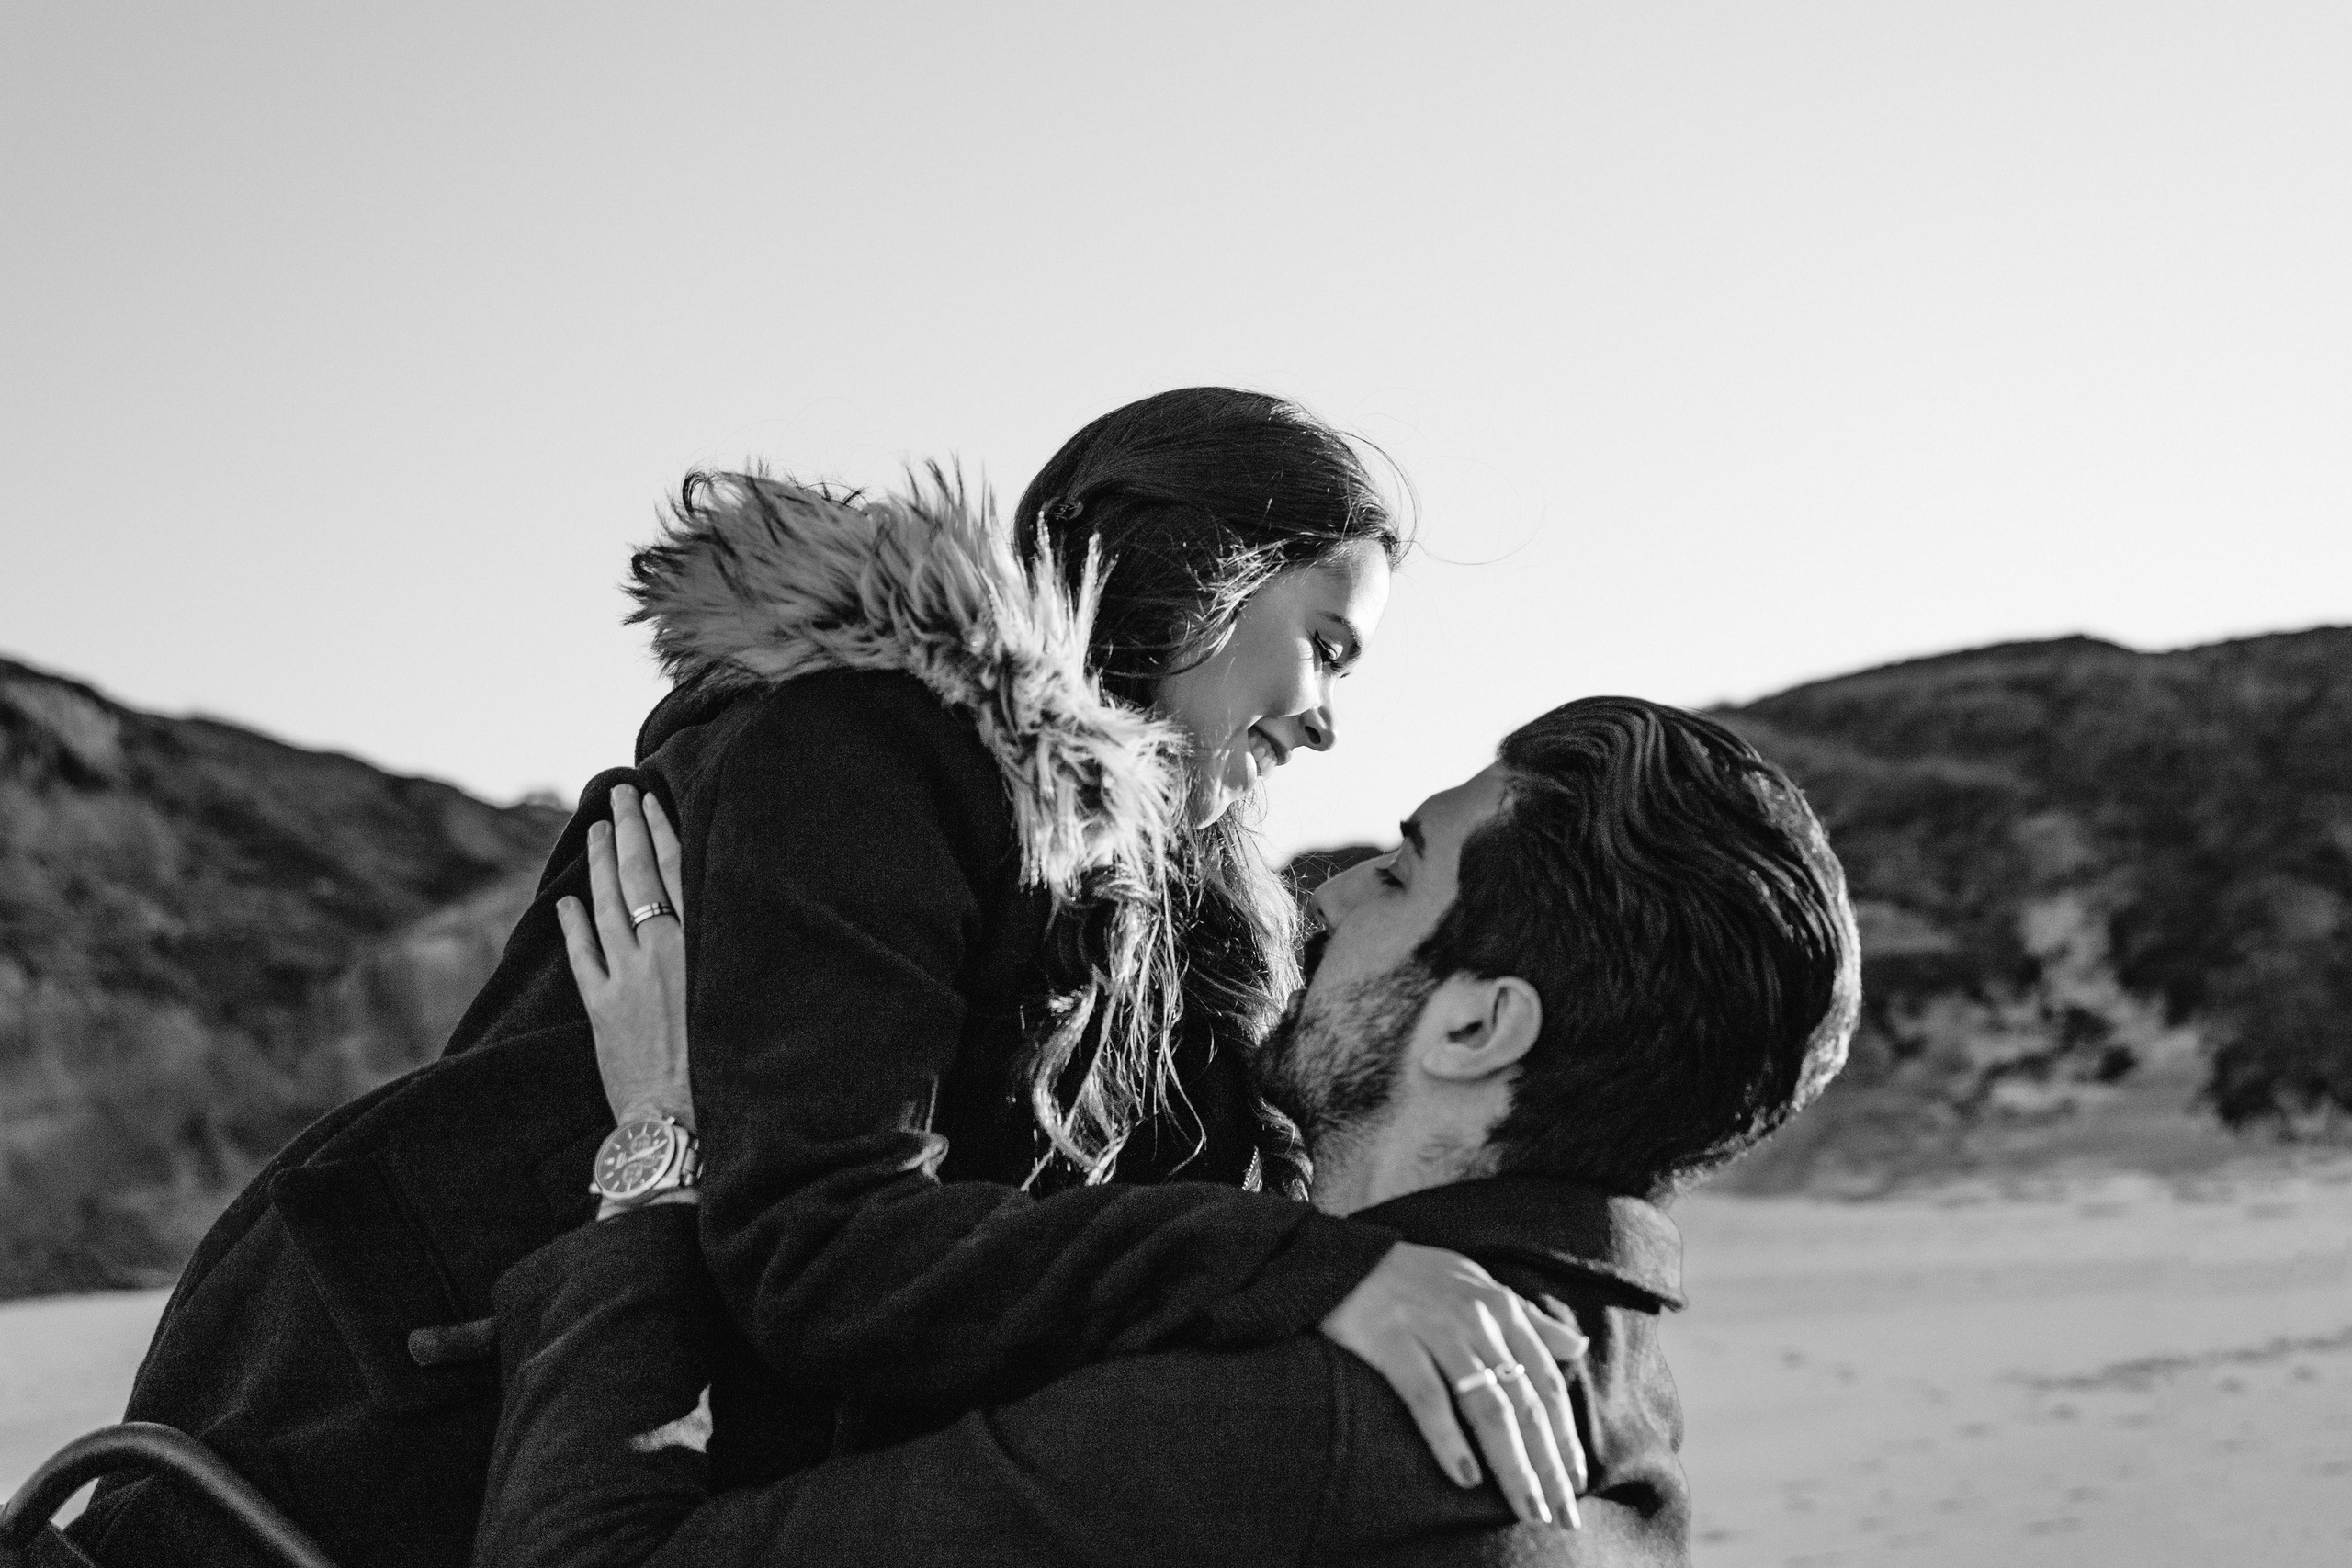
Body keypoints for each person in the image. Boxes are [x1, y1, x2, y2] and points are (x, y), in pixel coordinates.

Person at [74, 390, 1587, 1568]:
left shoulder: (1175, 921)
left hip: (623, 1450)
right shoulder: (864, 749)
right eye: (1326, 647)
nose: (1326, 723)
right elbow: (818, 1247)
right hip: (377, 1425)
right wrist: (1309, 1278)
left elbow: (1141, 1247)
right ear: (1201, 575)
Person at [473, 695, 1862, 1568]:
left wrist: (659, 1148)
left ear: (1477, 1028)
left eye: (1399, 869)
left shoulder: (1290, 1431)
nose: (1322, 901)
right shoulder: (1616, 1399)